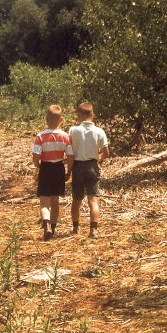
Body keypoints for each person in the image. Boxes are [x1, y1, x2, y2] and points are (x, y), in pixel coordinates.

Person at [68, 101, 109, 238]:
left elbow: (69, 152)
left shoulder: (73, 130)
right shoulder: (99, 131)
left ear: (78, 115)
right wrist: (99, 159)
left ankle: (75, 228)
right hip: (92, 166)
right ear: (93, 115)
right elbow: (106, 152)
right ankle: (93, 230)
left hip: (78, 166)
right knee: (93, 200)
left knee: (76, 199)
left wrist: (69, 170)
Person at [31, 105, 73, 240]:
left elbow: (36, 155)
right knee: (55, 202)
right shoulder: (65, 136)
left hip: (46, 169)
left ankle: (46, 225)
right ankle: (53, 229)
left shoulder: (40, 136)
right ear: (61, 119)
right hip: (58, 169)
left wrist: (37, 166)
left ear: (46, 119)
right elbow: (70, 156)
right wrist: (69, 171)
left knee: (44, 203)